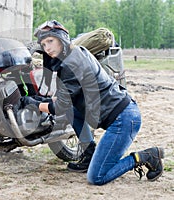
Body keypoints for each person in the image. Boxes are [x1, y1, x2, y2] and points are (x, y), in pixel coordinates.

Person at [22, 20, 164, 185]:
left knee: (96, 177)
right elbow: (67, 98)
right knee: (72, 110)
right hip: (120, 112)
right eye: (44, 44)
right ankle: (89, 154)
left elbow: (60, 107)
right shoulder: (77, 52)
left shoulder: (70, 64)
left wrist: (34, 103)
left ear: (61, 38)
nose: (47, 48)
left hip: (123, 119)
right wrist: (44, 100)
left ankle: (147, 156)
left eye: (50, 41)